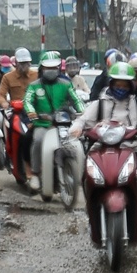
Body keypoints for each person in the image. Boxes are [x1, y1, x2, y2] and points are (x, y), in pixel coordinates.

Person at [71, 61, 137, 246]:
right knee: (87, 177)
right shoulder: (99, 104)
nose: (121, 88)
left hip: (131, 147)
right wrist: (77, 128)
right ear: (111, 84)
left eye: (125, 84)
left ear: (131, 86)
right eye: (117, 84)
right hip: (100, 148)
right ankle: (91, 207)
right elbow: (83, 120)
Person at [23, 50, 83, 181]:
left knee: (77, 142)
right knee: (38, 140)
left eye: (54, 67)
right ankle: (35, 173)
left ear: (58, 69)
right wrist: (31, 112)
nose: (51, 70)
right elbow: (27, 101)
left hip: (63, 125)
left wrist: (82, 112)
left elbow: (76, 100)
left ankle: (79, 173)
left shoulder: (66, 84)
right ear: (41, 68)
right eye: (47, 67)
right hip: (42, 124)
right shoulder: (34, 86)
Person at [0, 47, 37, 184]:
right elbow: (1, 96)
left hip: (35, 112)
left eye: (27, 63)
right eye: (22, 63)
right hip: (18, 112)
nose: (25, 66)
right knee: (23, 136)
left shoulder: (36, 75)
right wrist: (5, 104)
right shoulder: (8, 77)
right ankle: (20, 165)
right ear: (16, 63)